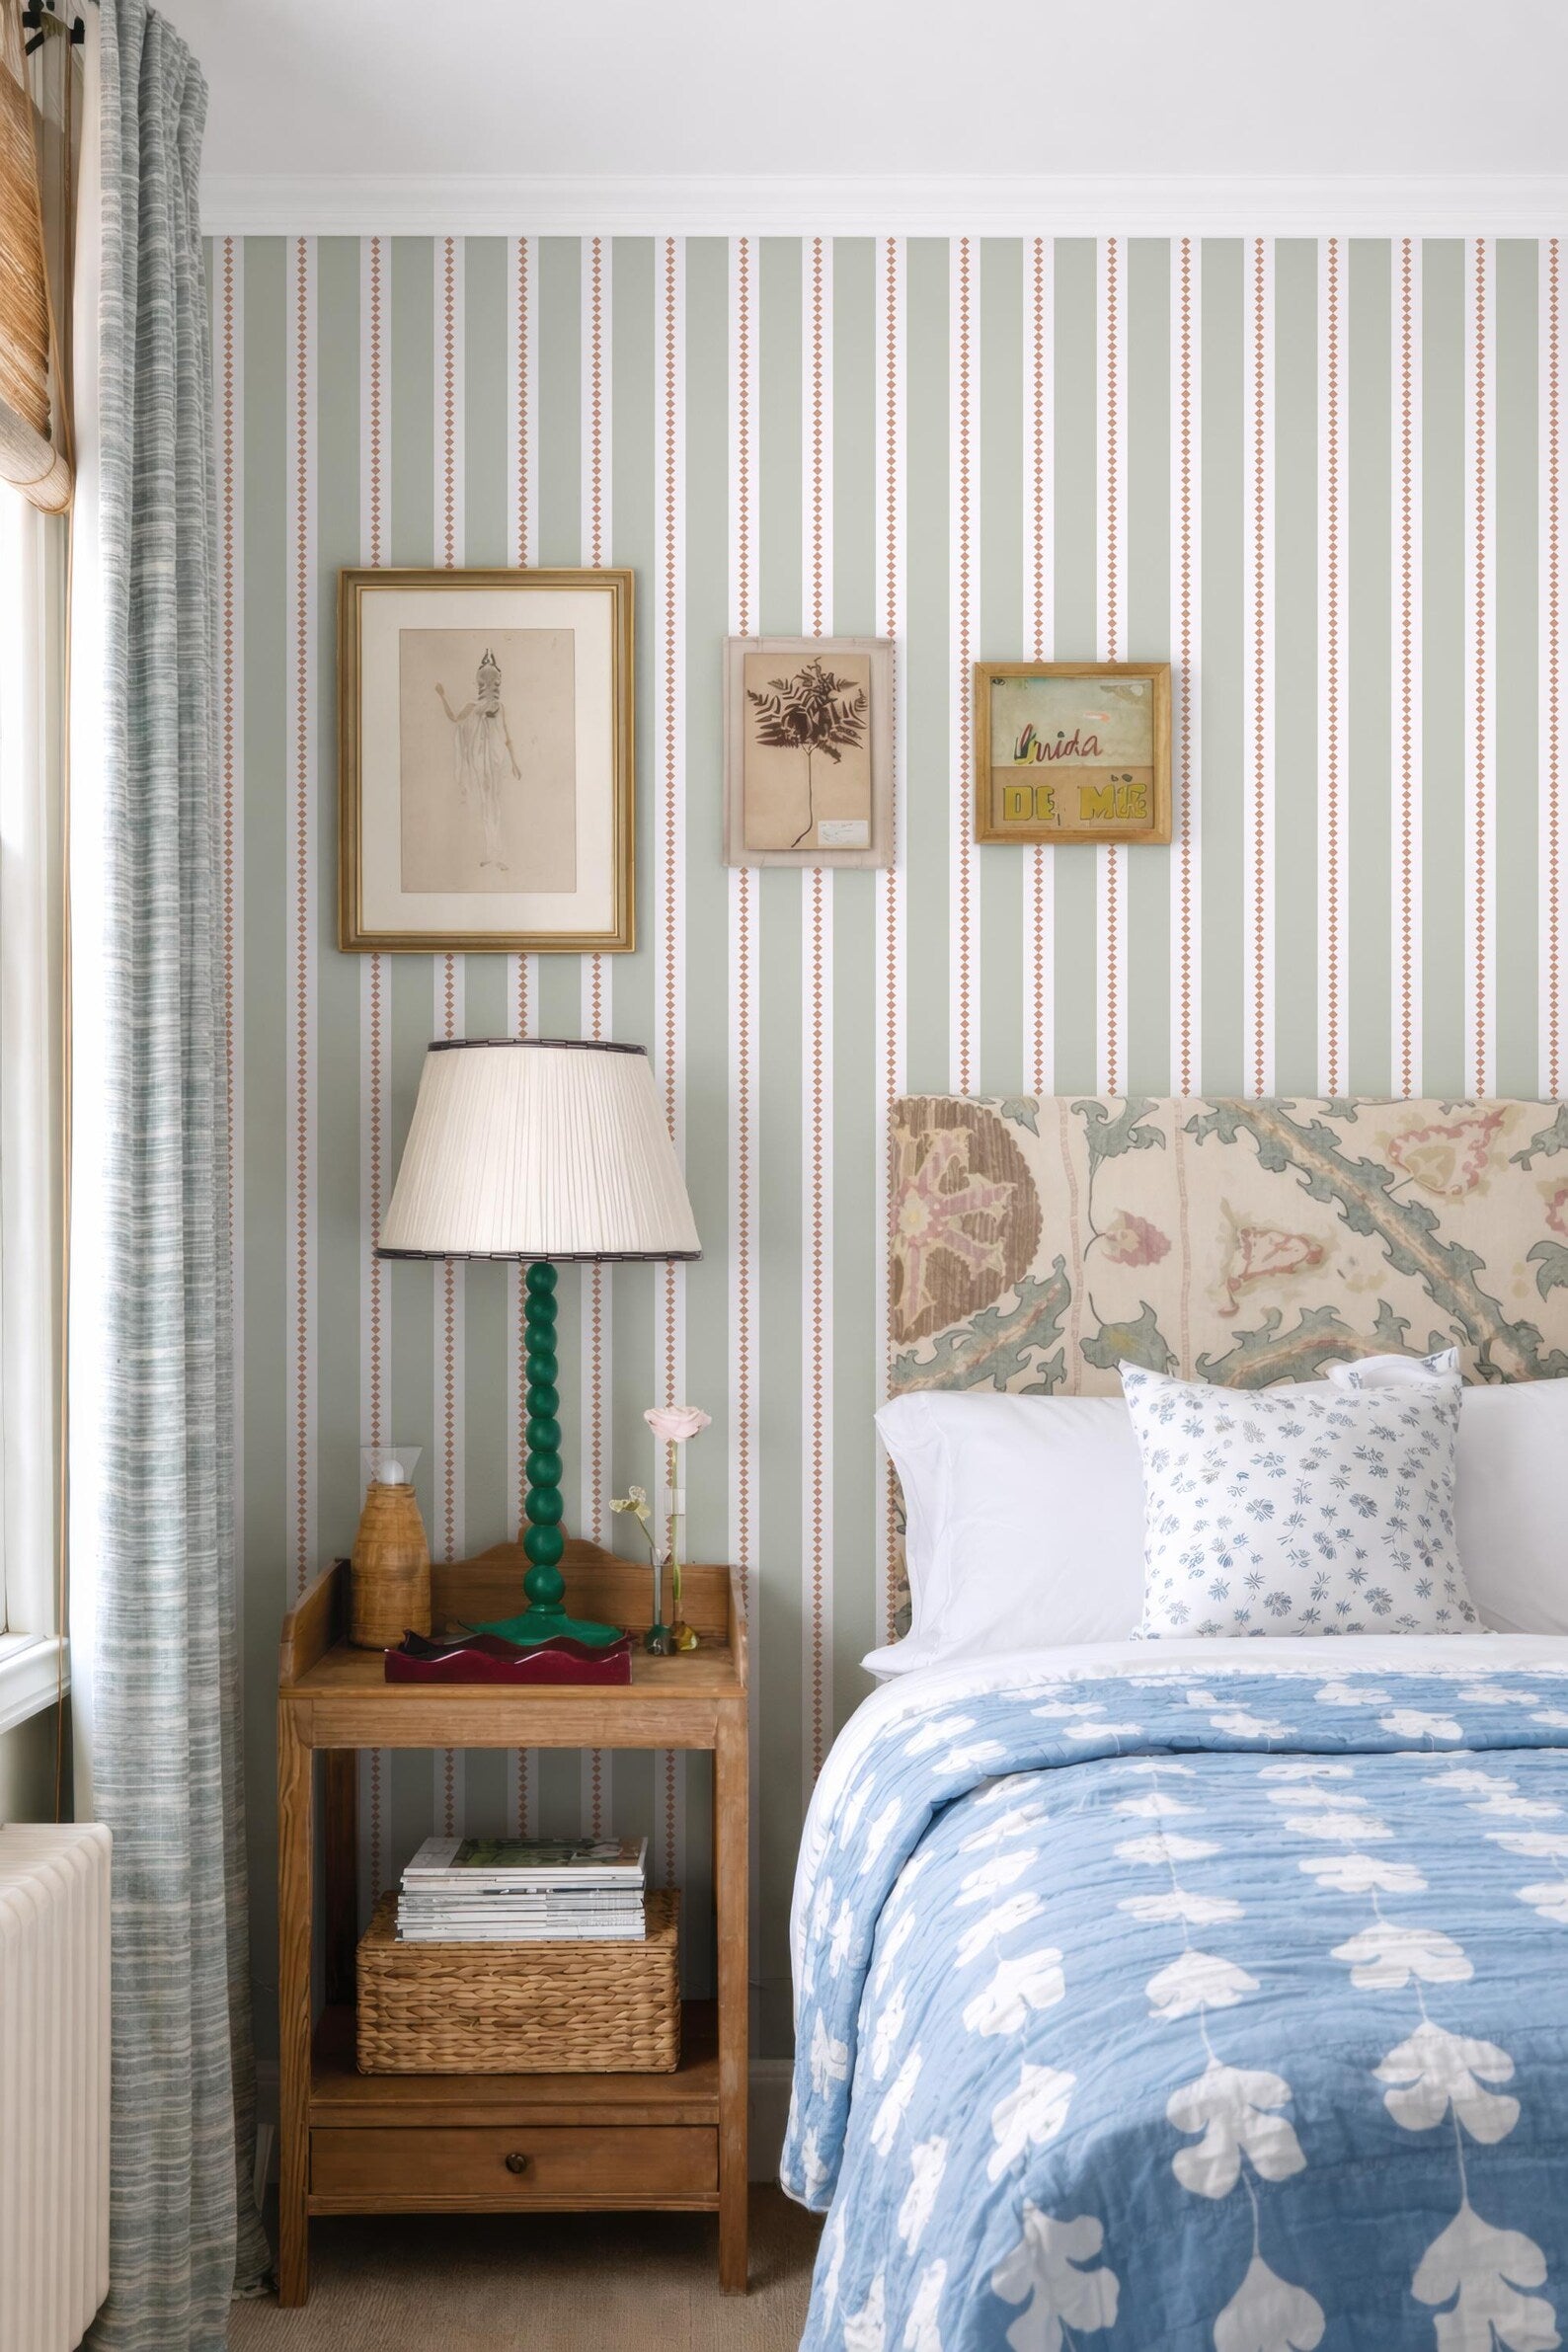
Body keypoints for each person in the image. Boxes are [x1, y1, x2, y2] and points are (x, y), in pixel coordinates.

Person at [434, 646, 521, 871]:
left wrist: (514, 762)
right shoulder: (472, 706)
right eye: (487, 682)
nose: (491, 686)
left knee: (495, 802)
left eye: (494, 683)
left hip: (496, 757)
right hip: (480, 759)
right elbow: (454, 718)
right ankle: (491, 853)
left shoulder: (500, 707)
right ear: (480, 684)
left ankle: (498, 853)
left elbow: (507, 735)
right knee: (487, 803)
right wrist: (442, 696)